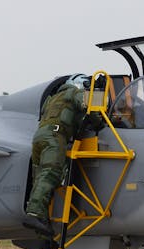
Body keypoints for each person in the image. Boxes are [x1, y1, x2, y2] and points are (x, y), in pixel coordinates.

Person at [23, 74, 90, 237]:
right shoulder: (74, 93)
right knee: (51, 173)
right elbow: (89, 108)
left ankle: (42, 221)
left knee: (40, 177)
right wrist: (99, 121)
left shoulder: (52, 99)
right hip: (55, 137)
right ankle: (35, 214)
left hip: (39, 138)